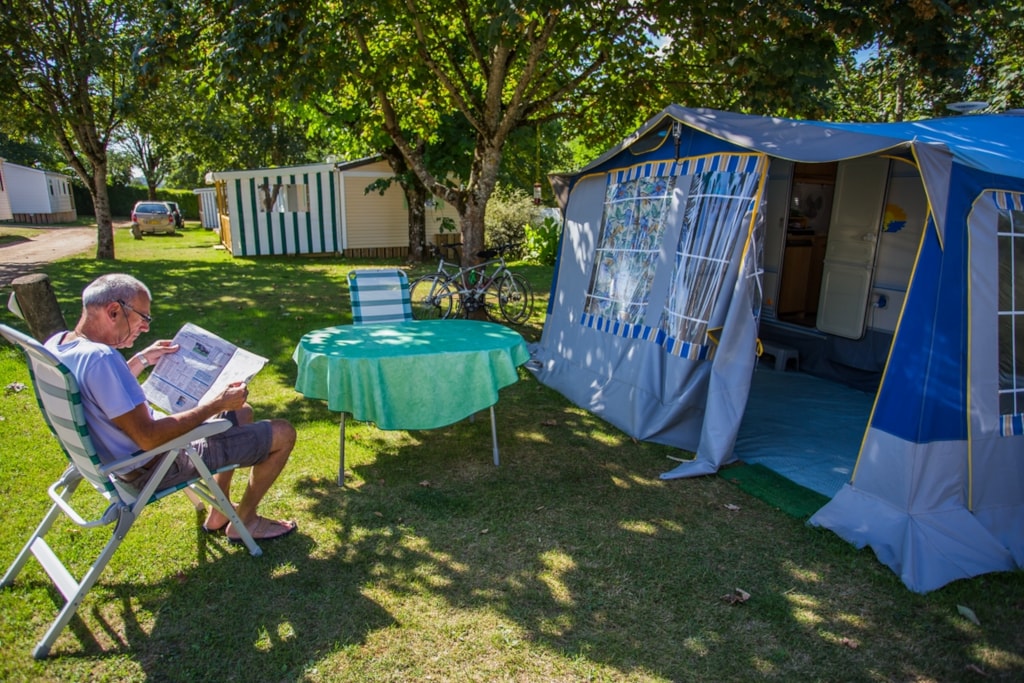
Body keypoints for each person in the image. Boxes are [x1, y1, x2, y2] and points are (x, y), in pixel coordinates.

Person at [45, 273, 297, 542]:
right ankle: (245, 521)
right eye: (143, 317)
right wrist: (216, 404)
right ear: (114, 311)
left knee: (241, 412)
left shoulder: (59, 346)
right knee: (283, 433)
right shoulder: (101, 358)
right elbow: (149, 437)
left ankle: (219, 511)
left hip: (120, 464)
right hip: (157, 465)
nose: (145, 328)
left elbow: (99, 390)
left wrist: (141, 360)